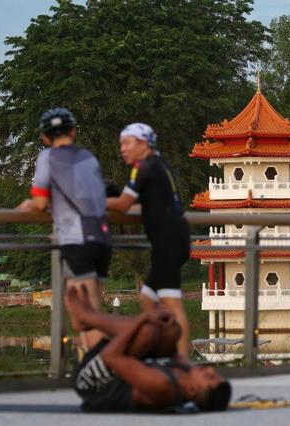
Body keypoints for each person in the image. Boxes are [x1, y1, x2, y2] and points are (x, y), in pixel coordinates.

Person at [18, 107, 111, 347]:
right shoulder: (89, 157)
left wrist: (30, 203)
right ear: (73, 131)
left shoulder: (47, 157)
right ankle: (98, 366)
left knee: (85, 313)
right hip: (101, 237)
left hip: (76, 239)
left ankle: (105, 371)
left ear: (45, 137)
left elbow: (39, 202)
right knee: (93, 308)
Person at [65, 286, 231, 412]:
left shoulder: (161, 385)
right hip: (120, 369)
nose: (209, 369)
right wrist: (166, 317)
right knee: (172, 330)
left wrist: (143, 318)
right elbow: (171, 348)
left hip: (92, 381)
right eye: (215, 374)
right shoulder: (187, 375)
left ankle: (85, 317)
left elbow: (110, 357)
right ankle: (87, 317)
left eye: (210, 378)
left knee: (147, 330)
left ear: (194, 391)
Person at [106, 123, 191, 356]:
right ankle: (164, 351)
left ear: (143, 144)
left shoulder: (142, 167)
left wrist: (91, 200)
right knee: (147, 298)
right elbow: (148, 202)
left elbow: (123, 204)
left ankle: (182, 364)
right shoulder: (160, 164)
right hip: (174, 236)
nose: (122, 149)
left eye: (126, 143)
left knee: (173, 305)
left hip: (167, 241)